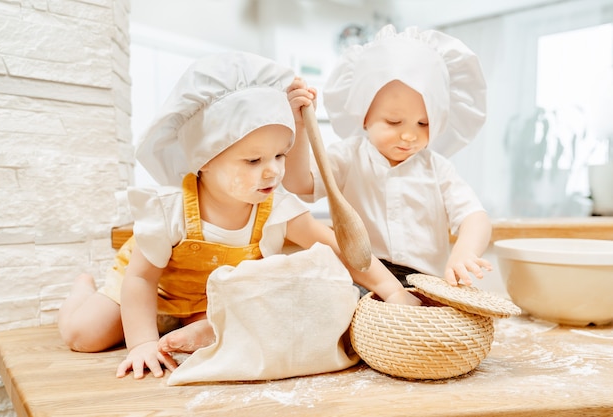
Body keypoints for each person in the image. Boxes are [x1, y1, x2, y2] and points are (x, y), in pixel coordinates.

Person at [58, 51, 420, 381]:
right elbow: (141, 278)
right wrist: (141, 344)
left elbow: (343, 246)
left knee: (239, 340)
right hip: (154, 288)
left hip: (211, 298)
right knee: (84, 336)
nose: (273, 172)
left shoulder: (276, 206)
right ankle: (84, 290)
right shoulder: (170, 209)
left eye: (280, 156)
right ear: (204, 160)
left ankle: (189, 328)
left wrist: (390, 289)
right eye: (253, 160)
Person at [284, 25, 493, 289]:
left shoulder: (437, 169)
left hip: (425, 283)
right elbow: (299, 183)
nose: (409, 135)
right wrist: (301, 128)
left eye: (423, 123)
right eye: (394, 121)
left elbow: (475, 217)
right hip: (362, 277)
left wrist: (464, 253)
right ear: (364, 115)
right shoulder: (349, 157)